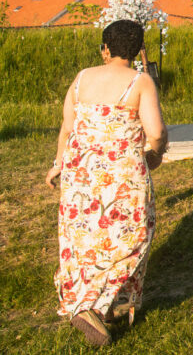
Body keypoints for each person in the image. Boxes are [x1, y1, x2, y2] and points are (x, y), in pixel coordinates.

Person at [46, 19, 166, 346]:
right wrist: (157, 153)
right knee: (134, 233)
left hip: (80, 173)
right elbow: (154, 132)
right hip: (122, 174)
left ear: (105, 49)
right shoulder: (140, 81)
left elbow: (67, 127)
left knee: (86, 237)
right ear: (137, 49)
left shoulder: (82, 78)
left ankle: (97, 305)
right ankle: (96, 306)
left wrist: (58, 165)